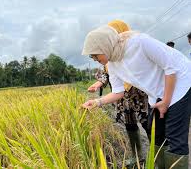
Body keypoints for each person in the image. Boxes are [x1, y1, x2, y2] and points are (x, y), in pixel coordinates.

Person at [82, 25, 191, 169]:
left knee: (175, 138)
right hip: (157, 92)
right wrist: (97, 102)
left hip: (180, 83)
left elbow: (171, 67)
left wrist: (165, 101)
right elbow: (118, 92)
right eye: (92, 56)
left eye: (95, 55)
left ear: (105, 46)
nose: (94, 59)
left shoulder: (140, 42)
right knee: (156, 134)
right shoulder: (113, 65)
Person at [88, 20, 149, 164]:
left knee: (148, 123)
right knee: (130, 125)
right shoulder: (110, 57)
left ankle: (157, 156)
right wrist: (98, 84)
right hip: (121, 96)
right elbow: (106, 74)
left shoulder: (133, 49)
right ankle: (137, 156)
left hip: (140, 94)